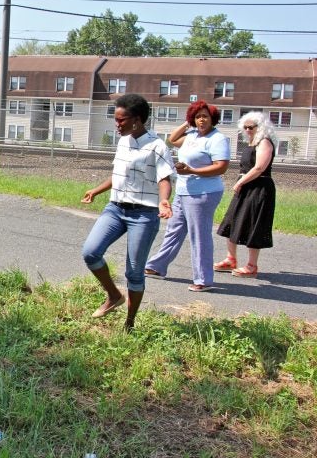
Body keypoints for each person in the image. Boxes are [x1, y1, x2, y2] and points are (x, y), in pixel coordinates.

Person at [81, 94, 174, 332]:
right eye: (116, 119)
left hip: (143, 214)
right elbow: (118, 175)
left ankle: (129, 324)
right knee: (91, 252)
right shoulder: (123, 141)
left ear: (138, 120)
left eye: (121, 120)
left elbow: (164, 178)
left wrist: (164, 201)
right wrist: (96, 190)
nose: (117, 124)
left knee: (134, 271)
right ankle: (114, 295)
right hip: (116, 208)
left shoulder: (157, 146)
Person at [144, 101, 230, 292]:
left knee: (199, 235)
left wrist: (193, 170)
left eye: (205, 116)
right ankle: (157, 266)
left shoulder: (217, 139)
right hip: (183, 191)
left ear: (212, 119)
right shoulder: (192, 135)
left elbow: (221, 166)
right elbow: (173, 139)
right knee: (173, 230)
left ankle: (203, 279)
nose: (201, 120)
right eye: (197, 116)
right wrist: (187, 123)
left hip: (203, 193)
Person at [214, 111, 277, 278]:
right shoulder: (251, 142)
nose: (248, 130)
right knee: (232, 221)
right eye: (245, 127)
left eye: (251, 127)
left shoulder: (264, 142)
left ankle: (251, 266)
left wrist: (240, 182)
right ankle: (231, 259)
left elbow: (259, 168)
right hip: (246, 188)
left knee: (254, 224)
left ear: (261, 127)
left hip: (259, 188)